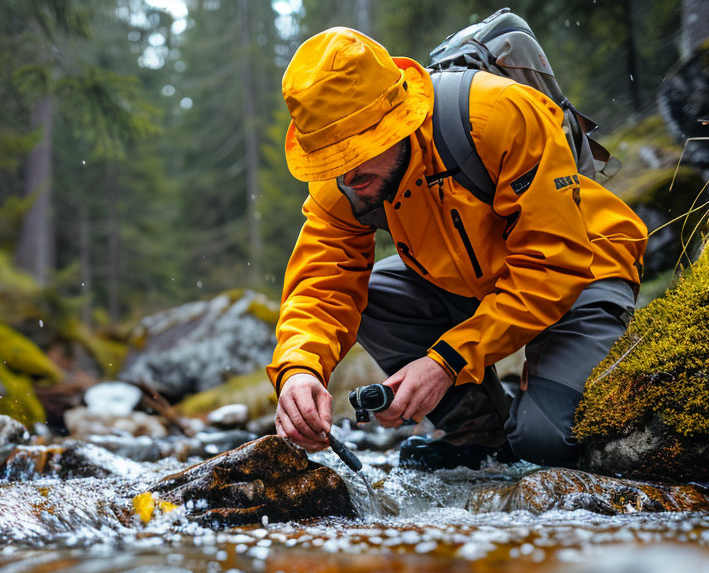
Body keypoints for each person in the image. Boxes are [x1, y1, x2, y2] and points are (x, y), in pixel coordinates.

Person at [268, 27, 647, 469]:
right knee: (375, 294)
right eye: (330, 159)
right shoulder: (344, 182)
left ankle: (529, 423)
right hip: (472, 284)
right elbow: (320, 287)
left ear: (397, 122)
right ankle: (481, 435)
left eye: (355, 153)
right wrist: (300, 370)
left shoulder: (500, 115)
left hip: (583, 269)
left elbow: (554, 261)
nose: (345, 177)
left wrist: (446, 361)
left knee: (546, 445)